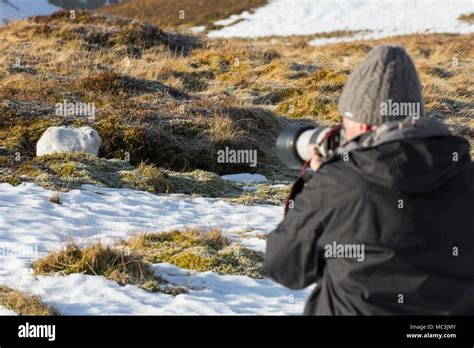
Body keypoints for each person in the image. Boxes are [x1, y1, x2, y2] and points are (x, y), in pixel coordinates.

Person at [264, 45, 474, 315]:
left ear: (362, 124)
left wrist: (316, 182)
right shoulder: (465, 176)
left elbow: (285, 267)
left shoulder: (338, 185)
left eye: (344, 122)